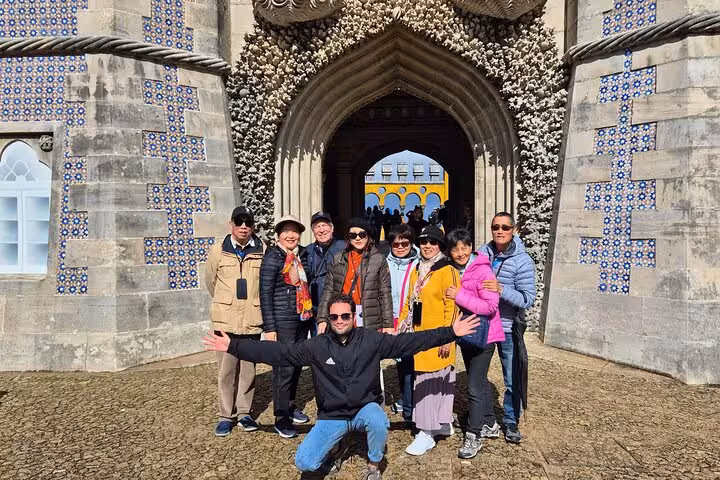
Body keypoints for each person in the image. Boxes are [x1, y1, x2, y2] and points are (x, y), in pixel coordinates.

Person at [203, 294, 483, 480]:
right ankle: (338, 447)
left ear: (354, 317)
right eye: (334, 317)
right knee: (306, 464)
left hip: (364, 408)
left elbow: (408, 343)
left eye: (345, 316)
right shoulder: (316, 345)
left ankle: (374, 464)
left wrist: (451, 333)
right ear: (328, 318)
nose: (339, 321)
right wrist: (234, 346)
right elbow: (280, 353)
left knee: (378, 420)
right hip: (332, 416)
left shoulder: (372, 340)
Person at [398, 225, 459, 456]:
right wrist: (401, 325)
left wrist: (448, 336)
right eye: (424, 242)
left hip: (438, 336)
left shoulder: (447, 270)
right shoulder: (417, 269)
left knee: (432, 381)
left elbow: (452, 306)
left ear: (440, 246)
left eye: (433, 242)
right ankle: (440, 424)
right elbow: (410, 300)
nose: (427, 246)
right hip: (419, 335)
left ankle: (426, 431)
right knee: (428, 380)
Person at [205, 206, 265, 437]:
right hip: (226, 320)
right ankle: (225, 415)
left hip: (251, 319)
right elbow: (211, 281)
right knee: (226, 371)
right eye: (239, 222)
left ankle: (244, 412)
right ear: (231, 224)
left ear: (253, 226)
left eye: (248, 223)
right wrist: (226, 304)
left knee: (248, 371)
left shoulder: (262, 250)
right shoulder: (218, 251)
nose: (243, 227)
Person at [444, 228, 504, 459]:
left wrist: (458, 295)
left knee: (474, 387)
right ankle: (489, 423)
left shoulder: (483, 272)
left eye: (464, 247)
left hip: (484, 337)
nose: (460, 253)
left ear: (471, 247)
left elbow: (490, 307)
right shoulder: (453, 271)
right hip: (468, 335)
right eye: (455, 248)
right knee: (476, 380)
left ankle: (474, 435)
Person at [479, 212, 536, 444]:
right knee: (477, 376)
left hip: (508, 327)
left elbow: (527, 299)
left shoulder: (523, 261)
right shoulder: (481, 254)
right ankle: (486, 417)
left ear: (514, 230)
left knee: (512, 378)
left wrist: (501, 289)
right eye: (495, 227)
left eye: (505, 227)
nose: (499, 231)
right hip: (483, 325)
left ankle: (511, 420)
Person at [259, 215, 314, 438]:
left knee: (297, 364)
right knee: (284, 368)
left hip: (301, 318)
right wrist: (270, 327)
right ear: (279, 234)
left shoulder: (301, 255)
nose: (291, 235)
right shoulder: (273, 256)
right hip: (282, 321)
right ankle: (281, 417)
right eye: (286, 231)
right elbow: (265, 293)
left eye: (295, 231)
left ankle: (290, 406)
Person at [317, 218, 393, 335]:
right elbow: (329, 290)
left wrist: (388, 324)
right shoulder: (338, 258)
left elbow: (384, 292)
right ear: (348, 238)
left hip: (369, 320)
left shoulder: (378, 259)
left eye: (362, 234)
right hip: (342, 318)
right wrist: (322, 318)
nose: (357, 238)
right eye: (353, 235)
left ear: (368, 236)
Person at [385, 224, 420, 426]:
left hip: (411, 319)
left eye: (404, 243)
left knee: (409, 363)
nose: (400, 247)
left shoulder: (419, 263)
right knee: (400, 362)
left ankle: (409, 408)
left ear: (411, 242)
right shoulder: (385, 263)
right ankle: (404, 398)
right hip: (392, 319)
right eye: (395, 243)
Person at [307, 211, 346, 335]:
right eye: (317, 227)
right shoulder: (307, 251)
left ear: (332, 228)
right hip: (315, 311)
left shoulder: (344, 248)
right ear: (313, 231)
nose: (321, 230)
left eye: (324, 225)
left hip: (338, 311)